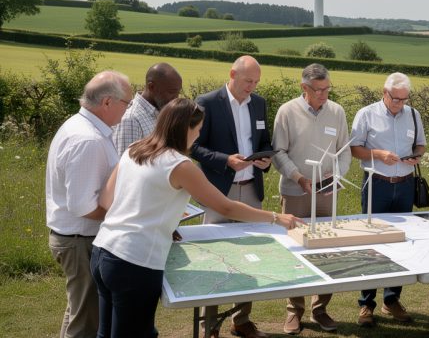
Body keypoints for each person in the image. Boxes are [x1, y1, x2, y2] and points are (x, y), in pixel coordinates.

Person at [90, 98, 303, 338]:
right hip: (134, 261)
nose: (198, 136)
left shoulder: (134, 149)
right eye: (198, 130)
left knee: (105, 333)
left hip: (102, 251)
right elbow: (226, 207)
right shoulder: (180, 165)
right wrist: (276, 217)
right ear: (185, 129)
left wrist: (156, 218)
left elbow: (107, 200)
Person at [191, 56, 273, 338]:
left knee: (250, 256)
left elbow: (264, 143)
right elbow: (194, 147)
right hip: (217, 191)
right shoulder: (207, 102)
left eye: (256, 82)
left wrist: (265, 160)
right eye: (248, 81)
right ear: (232, 74)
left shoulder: (259, 104)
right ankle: (209, 324)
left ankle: (242, 320)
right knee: (214, 256)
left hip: (251, 189)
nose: (252, 87)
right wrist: (226, 160)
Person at [46, 70, 133, 338]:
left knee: (78, 312)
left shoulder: (86, 129)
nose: (127, 110)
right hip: (79, 241)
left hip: (75, 239)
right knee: (86, 321)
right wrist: (126, 217)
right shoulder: (88, 139)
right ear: (107, 102)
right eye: (126, 104)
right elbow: (84, 207)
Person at [272, 64, 351, 334]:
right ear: (303, 88)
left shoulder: (337, 111)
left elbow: (344, 150)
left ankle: (321, 309)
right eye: (317, 90)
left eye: (327, 89)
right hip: (295, 192)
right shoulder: (287, 111)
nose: (323, 95)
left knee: (325, 250)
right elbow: (278, 152)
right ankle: (294, 310)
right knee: (296, 250)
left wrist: (336, 175)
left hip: (327, 193)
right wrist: (298, 178)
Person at [350, 72, 426, 327]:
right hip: (377, 185)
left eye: (404, 100)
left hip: (404, 185)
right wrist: (380, 154)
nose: (399, 104)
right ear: (384, 92)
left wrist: (416, 156)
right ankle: (366, 304)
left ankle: (391, 299)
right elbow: (354, 149)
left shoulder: (413, 114)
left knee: (402, 244)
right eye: (395, 99)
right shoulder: (366, 114)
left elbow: (421, 146)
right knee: (373, 244)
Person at [113, 62, 182, 156]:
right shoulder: (131, 119)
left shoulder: (161, 112)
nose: (176, 98)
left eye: (178, 92)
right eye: (171, 92)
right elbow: (124, 165)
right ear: (151, 87)